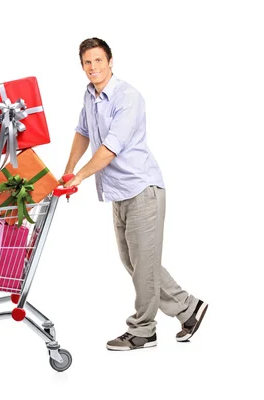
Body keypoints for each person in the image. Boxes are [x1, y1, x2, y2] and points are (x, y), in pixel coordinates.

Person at [62, 37, 208, 351]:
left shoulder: (128, 97)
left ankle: (143, 330)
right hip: (119, 192)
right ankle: (188, 308)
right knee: (134, 261)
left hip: (143, 189)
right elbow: (83, 132)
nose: (93, 68)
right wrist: (69, 168)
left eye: (98, 61)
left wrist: (80, 178)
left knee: (144, 264)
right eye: (87, 62)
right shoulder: (90, 96)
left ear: (110, 62)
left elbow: (110, 149)